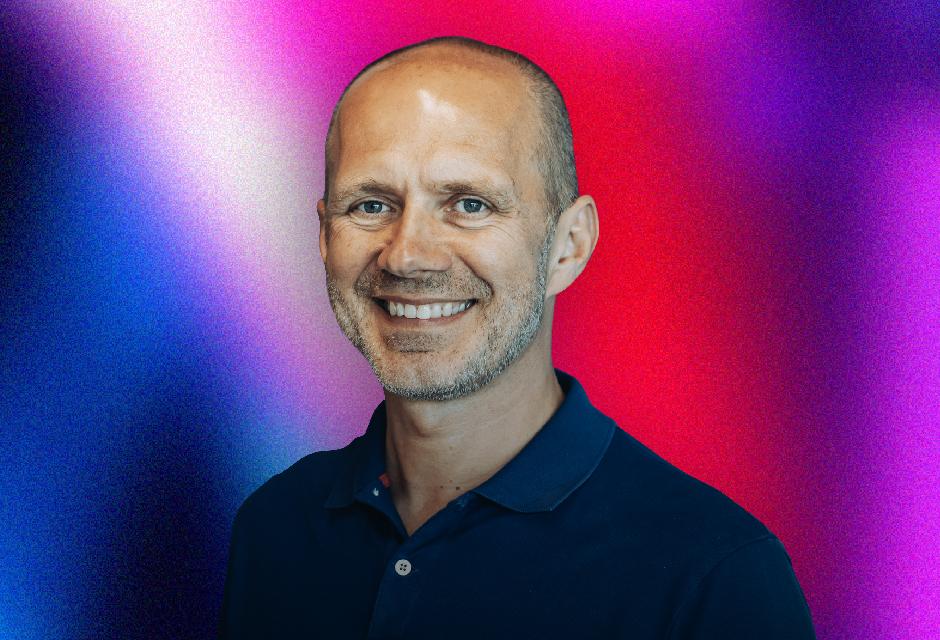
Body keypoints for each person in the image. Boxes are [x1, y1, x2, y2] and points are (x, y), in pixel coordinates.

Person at [219, 36, 816, 639]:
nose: (406, 256)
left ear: (569, 246)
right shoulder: (275, 526)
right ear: (324, 237)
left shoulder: (714, 576)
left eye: (470, 204)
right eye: (371, 204)